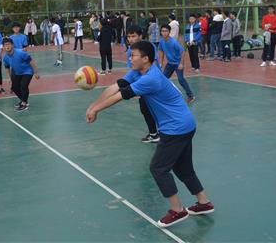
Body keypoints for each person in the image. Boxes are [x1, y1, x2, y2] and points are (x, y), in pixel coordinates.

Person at [85, 41, 214, 227]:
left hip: (175, 128)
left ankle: (177, 210)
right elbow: (114, 88)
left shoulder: (150, 78)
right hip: (185, 124)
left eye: (133, 55)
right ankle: (203, 202)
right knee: (183, 168)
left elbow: (120, 96)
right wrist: (92, 107)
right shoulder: (139, 72)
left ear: (145, 58)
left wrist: (96, 110)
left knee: (158, 168)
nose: (130, 58)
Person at [126, 26, 160, 142]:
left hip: (152, 85)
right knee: (145, 109)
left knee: (156, 110)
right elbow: (133, 71)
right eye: (129, 36)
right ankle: (154, 134)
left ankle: (164, 133)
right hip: (143, 86)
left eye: (133, 36)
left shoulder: (148, 47)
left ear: (140, 36)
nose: (130, 39)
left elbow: (153, 65)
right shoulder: (130, 51)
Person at [159, 24, 194, 103]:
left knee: (181, 80)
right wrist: (161, 63)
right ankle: (164, 95)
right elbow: (161, 51)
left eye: (166, 31)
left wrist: (181, 64)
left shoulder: (174, 42)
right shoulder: (162, 42)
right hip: (170, 63)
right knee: (163, 79)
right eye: (162, 31)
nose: (164, 33)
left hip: (177, 63)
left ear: (169, 32)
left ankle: (191, 96)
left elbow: (183, 52)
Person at [2, 38, 40, 111]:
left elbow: (31, 61)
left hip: (27, 71)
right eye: (5, 45)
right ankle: (23, 100)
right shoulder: (5, 57)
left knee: (23, 85)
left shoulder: (21, 53)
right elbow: (7, 68)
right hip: (17, 73)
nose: (7, 46)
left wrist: (36, 72)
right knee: (14, 87)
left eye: (8, 44)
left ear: (12, 45)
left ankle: (24, 104)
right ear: (3, 47)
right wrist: (9, 78)